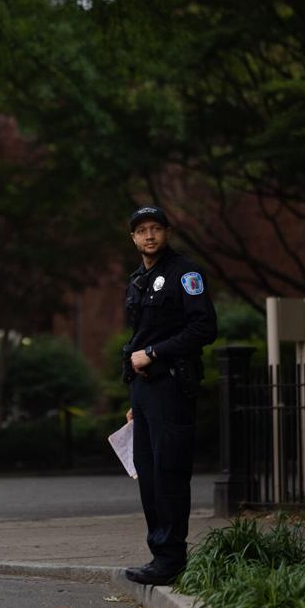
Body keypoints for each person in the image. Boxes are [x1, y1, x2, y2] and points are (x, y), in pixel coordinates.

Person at [122, 206, 217, 586]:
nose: (149, 236)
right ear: (133, 238)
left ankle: (172, 558)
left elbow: (204, 328)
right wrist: (134, 399)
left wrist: (156, 353)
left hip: (173, 386)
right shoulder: (137, 281)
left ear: (167, 232)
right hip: (145, 392)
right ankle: (160, 555)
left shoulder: (185, 273)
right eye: (141, 230)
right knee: (148, 475)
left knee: (169, 473)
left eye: (155, 229)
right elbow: (138, 340)